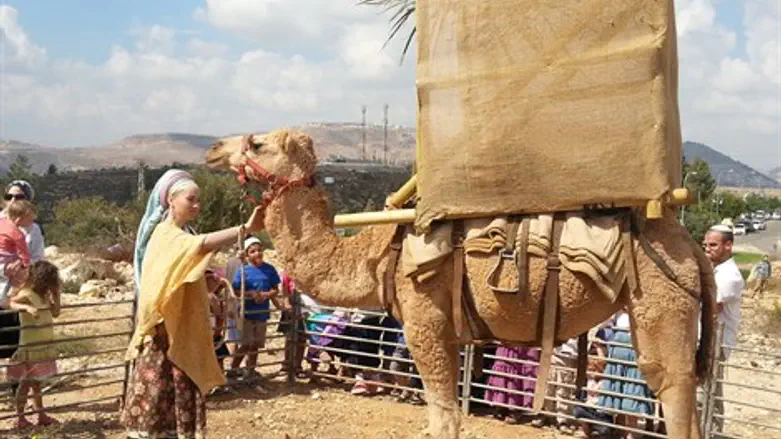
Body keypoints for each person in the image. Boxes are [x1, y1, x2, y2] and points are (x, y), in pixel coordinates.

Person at [120, 169, 265, 438]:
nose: (197, 205)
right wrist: (244, 230)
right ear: (171, 201)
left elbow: (188, 267)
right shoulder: (166, 235)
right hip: (164, 333)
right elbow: (199, 246)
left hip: (182, 332)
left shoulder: (182, 233)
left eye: (198, 200)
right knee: (157, 401)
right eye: (191, 199)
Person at [6, 261, 61, 429]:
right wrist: (26, 308)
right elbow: (10, 303)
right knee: (25, 384)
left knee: (37, 383)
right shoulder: (27, 293)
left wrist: (56, 296)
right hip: (30, 348)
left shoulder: (43, 296)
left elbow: (56, 313)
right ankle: (20, 417)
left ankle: (41, 414)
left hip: (42, 347)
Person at [701, 224, 745, 434]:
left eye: (713, 245)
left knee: (710, 392)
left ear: (728, 246)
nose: (707, 249)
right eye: (706, 244)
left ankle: (713, 433)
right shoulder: (714, 270)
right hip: (703, 339)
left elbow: (711, 306)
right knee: (701, 392)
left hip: (715, 343)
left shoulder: (730, 276)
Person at [230, 237, 280, 377]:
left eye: (259, 250)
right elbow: (235, 290)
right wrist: (250, 293)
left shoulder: (269, 269)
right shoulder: (242, 271)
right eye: (253, 251)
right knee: (246, 343)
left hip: (262, 312)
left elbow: (276, 289)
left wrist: (266, 294)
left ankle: (250, 371)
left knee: (256, 344)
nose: (257, 253)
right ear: (247, 254)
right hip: (246, 312)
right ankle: (233, 369)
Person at [485, 345, 540, 424]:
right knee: (504, 362)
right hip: (508, 338)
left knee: (526, 367)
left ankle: (515, 410)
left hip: (528, 340)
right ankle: (501, 406)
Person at [0, 200, 36, 303]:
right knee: (21, 276)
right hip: (5, 264)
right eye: (30, 220)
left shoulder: (2, 222)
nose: (32, 223)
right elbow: (24, 256)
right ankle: (10, 298)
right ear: (20, 219)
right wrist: (25, 266)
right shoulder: (18, 234)